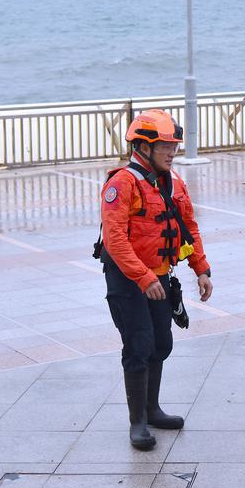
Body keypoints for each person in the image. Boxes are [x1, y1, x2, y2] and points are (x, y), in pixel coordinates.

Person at [98, 109, 213, 450]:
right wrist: (143, 277)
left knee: (161, 344)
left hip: (159, 277)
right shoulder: (122, 183)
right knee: (138, 345)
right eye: (165, 145)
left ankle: (152, 409)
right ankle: (138, 422)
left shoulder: (174, 182)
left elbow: (187, 227)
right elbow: (115, 239)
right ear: (143, 147)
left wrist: (201, 268)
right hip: (127, 280)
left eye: (174, 145)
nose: (172, 151)